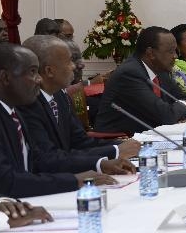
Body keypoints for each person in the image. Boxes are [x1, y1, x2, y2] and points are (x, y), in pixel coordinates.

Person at [0, 44, 115, 197]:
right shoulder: (10, 113)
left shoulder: (14, 111)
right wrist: (73, 181)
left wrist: (98, 165)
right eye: (32, 72)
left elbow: (39, 159)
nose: (39, 79)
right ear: (5, 77)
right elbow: (5, 180)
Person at [19, 36, 137, 174]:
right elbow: (47, 158)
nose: (74, 66)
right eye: (69, 61)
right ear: (49, 71)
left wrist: (123, 146)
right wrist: (113, 153)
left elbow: (80, 142)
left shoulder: (60, 96)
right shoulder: (28, 104)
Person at [93, 26, 186, 134]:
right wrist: (185, 106)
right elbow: (165, 115)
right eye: (170, 51)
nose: (175, 56)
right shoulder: (129, 74)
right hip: (119, 140)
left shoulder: (161, 70)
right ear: (151, 53)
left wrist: (184, 105)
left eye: (176, 51)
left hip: (149, 134)